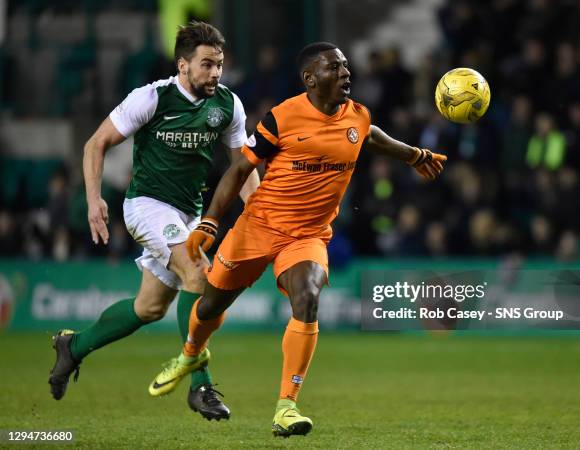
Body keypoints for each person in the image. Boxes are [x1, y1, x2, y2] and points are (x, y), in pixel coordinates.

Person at [148, 42, 446, 436]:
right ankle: (189, 354)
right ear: (310, 79)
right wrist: (211, 222)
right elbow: (239, 170)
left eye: (345, 66)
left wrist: (413, 155)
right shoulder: (283, 117)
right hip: (257, 228)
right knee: (209, 307)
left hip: (306, 237)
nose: (345, 74)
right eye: (334, 68)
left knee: (307, 297)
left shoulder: (356, 116)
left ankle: (287, 406)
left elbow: (368, 135)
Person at [48, 21, 260, 421]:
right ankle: (201, 388)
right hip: (146, 205)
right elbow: (96, 143)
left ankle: (72, 347)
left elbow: (243, 167)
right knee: (198, 273)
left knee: (148, 308)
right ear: (183, 65)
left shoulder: (228, 105)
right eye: (207, 64)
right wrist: (93, 200)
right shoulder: (151, 98)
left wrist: (259, 210)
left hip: (186, 212)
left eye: (219, 64)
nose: (215, 72)